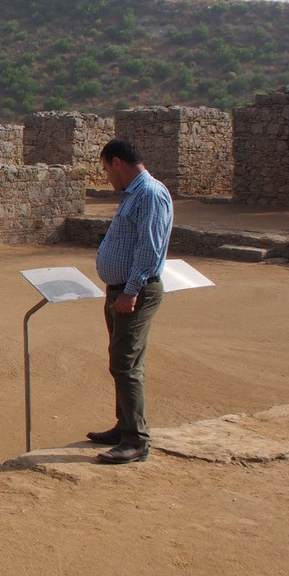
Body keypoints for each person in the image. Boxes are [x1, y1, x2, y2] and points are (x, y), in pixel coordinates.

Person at [88, 138, 173, 464]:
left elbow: (149, 249)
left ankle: (136, 439)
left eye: (106, 169)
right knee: (121, 359)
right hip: (120, 290)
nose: (107, 176)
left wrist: (131, 291)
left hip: (133, 292)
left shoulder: (149, 194)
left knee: (126, 363)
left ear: (118, 162)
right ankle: (124, 425)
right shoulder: (134, 194)